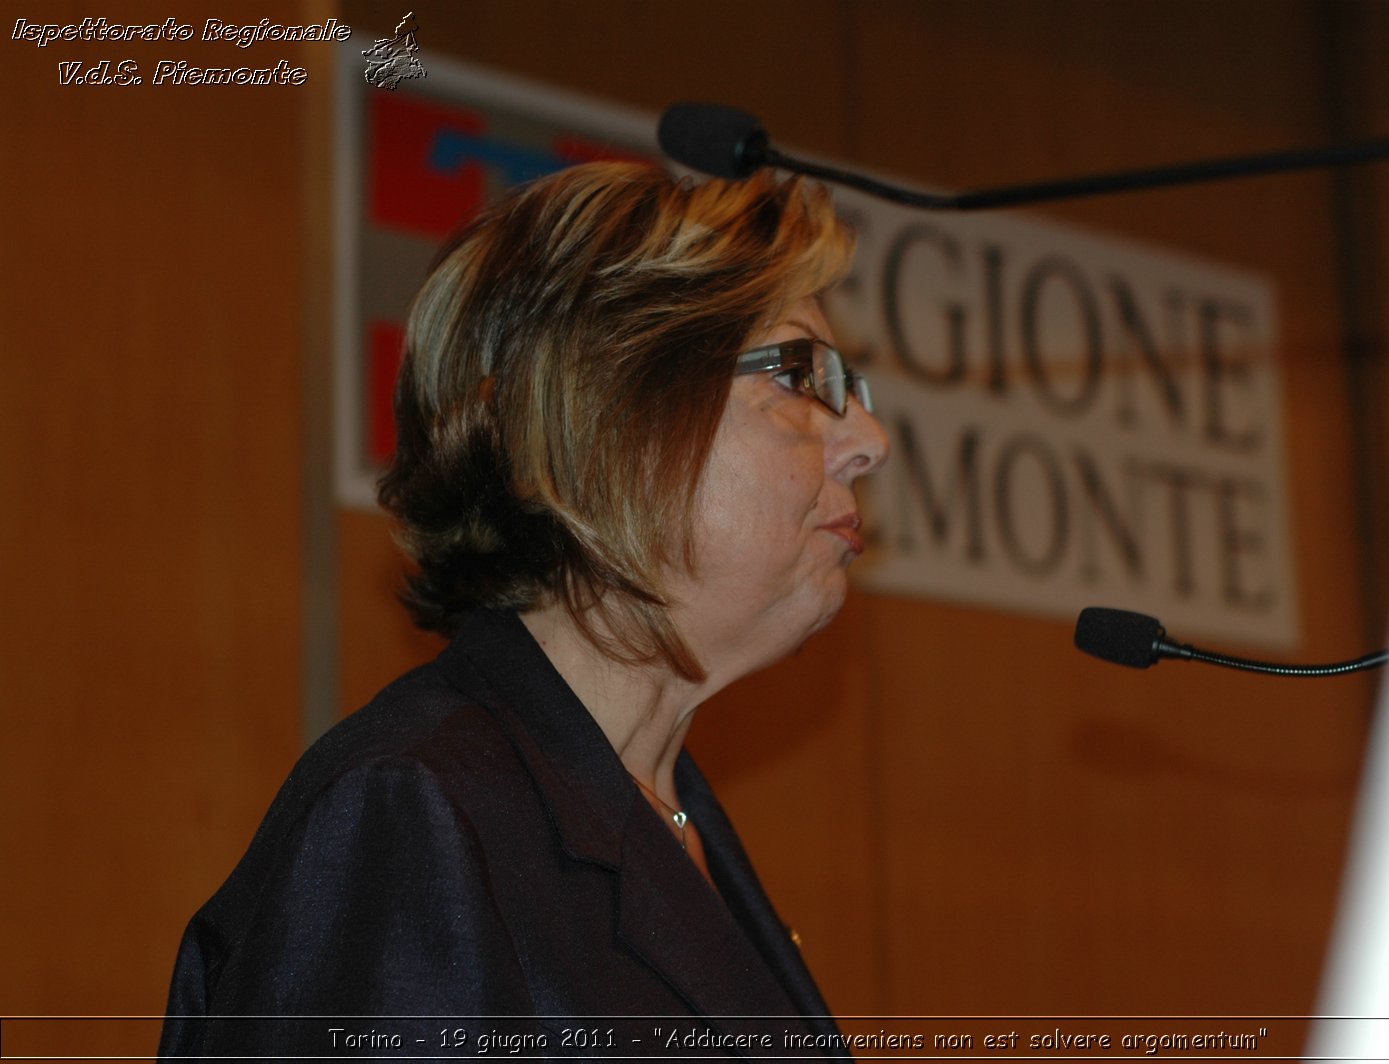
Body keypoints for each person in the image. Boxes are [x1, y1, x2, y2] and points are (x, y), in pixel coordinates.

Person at [158, 161, 889, 1058]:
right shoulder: (414, 817)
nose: (869, 442)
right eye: (802, 375)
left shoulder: (672, 817)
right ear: (600, 415)